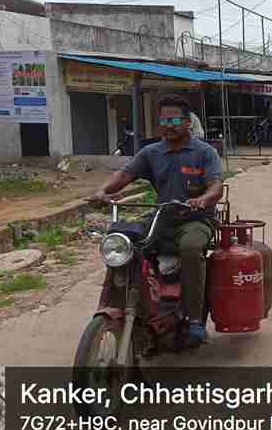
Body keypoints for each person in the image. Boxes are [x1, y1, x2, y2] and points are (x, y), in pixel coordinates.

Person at [92, 94, 222, 344]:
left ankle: (194, 319)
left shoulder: (205, 152)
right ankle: (118, 303)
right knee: (120, 238)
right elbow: (124, 175)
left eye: (175, 120)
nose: (168, 125)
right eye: (164, 121)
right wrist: (102, 191)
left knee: (191, 247)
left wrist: (203, 199)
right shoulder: (151, 152)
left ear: (188, 122)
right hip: (161, 216)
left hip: (195, 219)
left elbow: (216, 187)